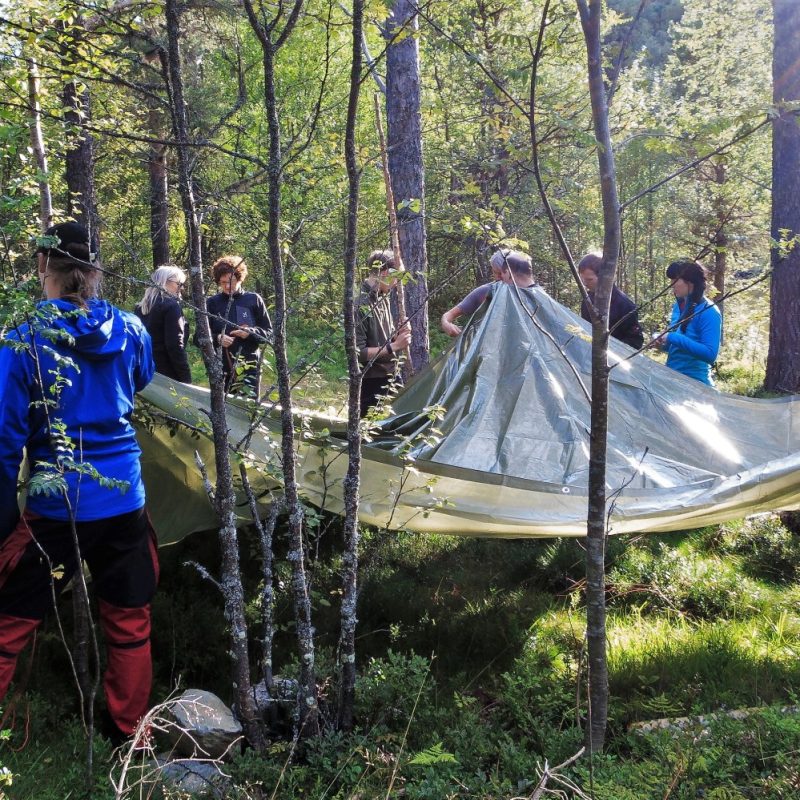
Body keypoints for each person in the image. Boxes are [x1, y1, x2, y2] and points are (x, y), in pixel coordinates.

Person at [0, 221, 157, 745]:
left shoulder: (24, 340)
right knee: (129, 619)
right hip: (125, 499)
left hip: (56, 504)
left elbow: (6, 437)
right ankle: (127, 733)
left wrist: (3, 518)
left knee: (9, 622)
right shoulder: (132, 329)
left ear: (44, 267)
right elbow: (140, 381)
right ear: (94, 271)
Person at [356, 249, 412, 417]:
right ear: (386, 272)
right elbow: (358, 353)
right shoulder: (359, 304)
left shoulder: (382, 296)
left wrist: (397, 335)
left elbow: (382, 339)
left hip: (392, 375)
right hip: (372, 382)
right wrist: (394, 346)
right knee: (372, 436)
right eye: (397, 277)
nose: (397, 283)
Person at [206, 255, 272, 394]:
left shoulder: (253, 299)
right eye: (223, 282)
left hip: (249, 365)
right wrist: (217, 338)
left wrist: (251, 333)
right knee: (222, 408)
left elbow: (269, 334)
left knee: (248, 406)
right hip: (220, 366)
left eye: (232, 281)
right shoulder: (211, 303)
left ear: (240, 278)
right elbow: (198, 338)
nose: (228, 286)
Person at [655, 259, 721, 385]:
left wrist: (672, 337)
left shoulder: (709, 312)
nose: (671, 284)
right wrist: (662, 344)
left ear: (690, 282)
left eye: (675, 280)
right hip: (673, 381)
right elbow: (679, 349)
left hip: (696, 385)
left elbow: (710, 354)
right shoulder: (678, 306)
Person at [440, 249, 534, 337]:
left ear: (510, 272)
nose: (497, 277)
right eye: (494, 272)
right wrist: (446, 324)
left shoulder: (528, 292)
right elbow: (449, 315)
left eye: (501, 273)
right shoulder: (484, 292)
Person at [135, 265, 192, 383]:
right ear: (165, 282)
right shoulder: (171, 306)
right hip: (167, 374)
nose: (181, 288)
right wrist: (186, 379)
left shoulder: (140, 308)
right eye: (179, 284)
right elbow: (175, 346)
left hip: (144, 370)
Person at [578, 252, 644, 349]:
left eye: (589, 279)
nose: (585, 284)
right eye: (582, 280)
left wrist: (611, 349)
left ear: (602, 277)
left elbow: (636, 341)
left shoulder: (624, 304)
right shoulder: (587, 300)